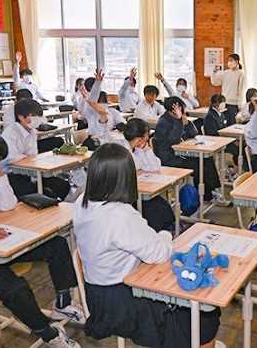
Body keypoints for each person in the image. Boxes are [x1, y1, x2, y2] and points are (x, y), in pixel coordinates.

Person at [73, 143, 222, 347]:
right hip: (123, 303)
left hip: (97, 296)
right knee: (203, 311)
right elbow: (160, 253)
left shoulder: (82, 202)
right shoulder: (120, 215)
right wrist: (165, 234)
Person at [0, 131, 85, 347]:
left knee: (57, 245)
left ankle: (63, 304)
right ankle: (48, 334)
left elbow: (7, 205)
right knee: (15, 288)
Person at [88, 101, 175, 231]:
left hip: (138, 188)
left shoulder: (140, 149)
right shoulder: (118, 147)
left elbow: (154, 167)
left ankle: (164, 230)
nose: (148, 138)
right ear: (139, 138)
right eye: (146, 136)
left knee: (162, 205)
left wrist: (146, 148)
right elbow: (103, 136)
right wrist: (103, 116)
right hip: (121, 194)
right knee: (154, 210)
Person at [154, 97, 224, 204]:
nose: (182, 111)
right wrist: (178, 121)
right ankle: (203, 195)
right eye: (179, 108)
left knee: (207, 158)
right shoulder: (163, 122)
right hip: (170, 157)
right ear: (173, 110)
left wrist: (187, 123)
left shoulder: (178, 118)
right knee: (197, 164)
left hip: (182, 152)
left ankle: (212, 190)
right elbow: (174, 140)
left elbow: (194, 134)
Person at [1, 99, 71, 200]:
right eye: (33, 115)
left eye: (39, 115)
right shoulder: (10, 133)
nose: (37, 119)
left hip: (31, 172)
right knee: (40, 195)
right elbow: (11, 159)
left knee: (62, 186)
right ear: (21, 117)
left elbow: (33, 155)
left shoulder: (32, 131)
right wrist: (31, 161)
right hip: (12, 176)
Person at [204, 94, 239, 177]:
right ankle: (235, 170)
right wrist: (230, 141)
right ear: (216, 103)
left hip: (224, 140)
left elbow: (225, 128)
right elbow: (213, 134)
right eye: (222, 102)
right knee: (236, 149)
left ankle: (235, 169)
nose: (224, 104)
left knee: (240, 146)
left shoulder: (221, 114)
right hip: (218, 143)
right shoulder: (210, 116)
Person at [209, 53, 246, 127]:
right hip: (223, 103)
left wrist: (240, 104)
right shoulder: (226, 73)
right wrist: (214, 72)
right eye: (228, 60)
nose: (229, 62)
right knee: (223, 124)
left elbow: (241, 90)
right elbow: (215, 82)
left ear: (236, 61)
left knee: (232, 124)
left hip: (234, 104)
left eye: (231, 60)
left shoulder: (241, 74)